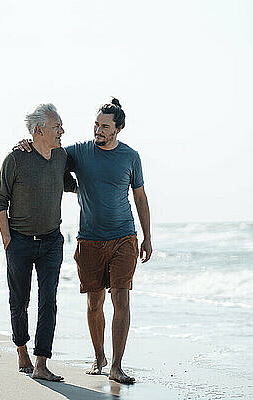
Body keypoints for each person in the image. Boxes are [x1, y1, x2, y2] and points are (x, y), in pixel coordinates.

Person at [18, 98, 152, 384]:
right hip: (89, 239)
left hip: (124, 238)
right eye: (96, 124)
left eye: (105, 126)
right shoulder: (79, 152)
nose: (98, 130)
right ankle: (99, 357)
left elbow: (140, 197)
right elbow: (48, 151)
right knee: (94, 302)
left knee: (121, 298)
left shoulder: (131, 157)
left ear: (118, 129)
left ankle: (116, 365)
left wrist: (147, 237)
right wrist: (26, 143)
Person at [0, 103, 76, 382]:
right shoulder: (16, 158)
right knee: (19, 300)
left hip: (52, 241)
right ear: (39, 130)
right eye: (57, 127)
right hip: (20, 242)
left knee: (48, 301)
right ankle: (22, 351)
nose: (62, 131)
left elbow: (69, 182)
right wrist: (7, 240)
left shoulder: (62, 155)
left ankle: (42, 362)